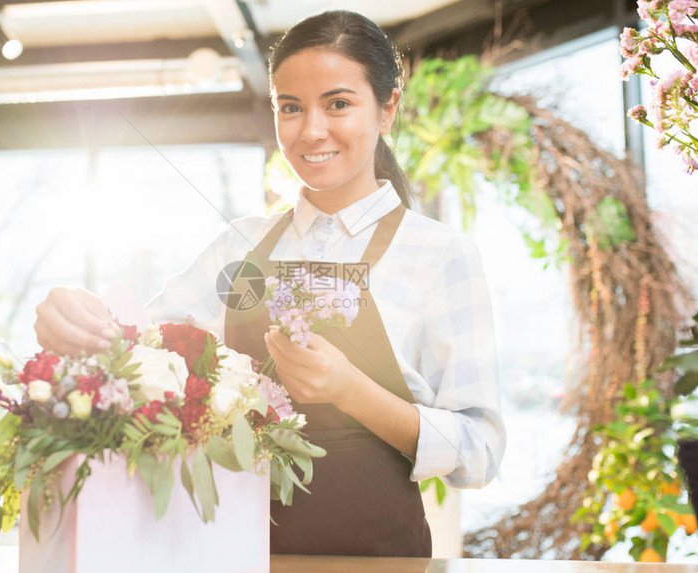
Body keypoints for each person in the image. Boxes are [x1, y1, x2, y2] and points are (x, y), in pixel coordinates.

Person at [35, 9, 505, 558]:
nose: (311, 131)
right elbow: (139, 350)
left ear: (388, 107)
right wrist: (75, 321)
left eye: (338, 104)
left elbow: (481, 451)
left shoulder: (440, 254)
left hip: (381, 560)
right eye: (291, 108)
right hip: (236, 552)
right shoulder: (240, 246)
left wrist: (352, 392)